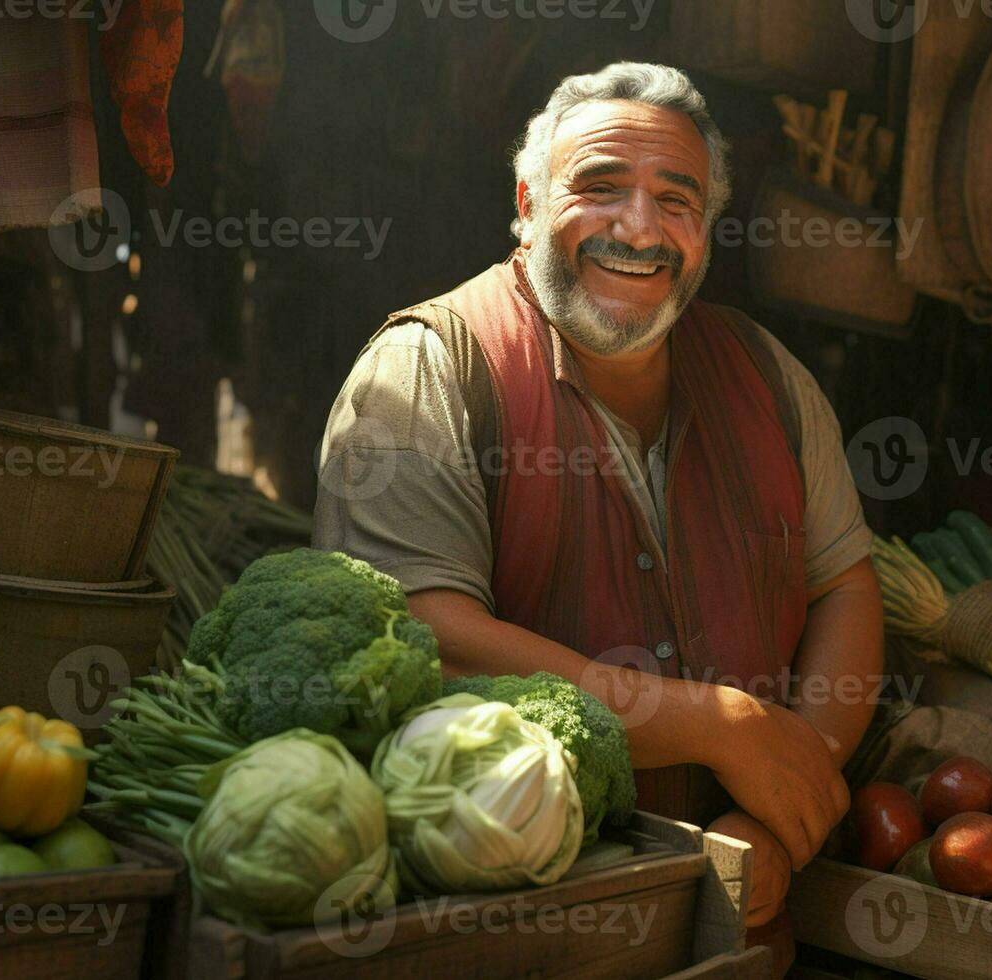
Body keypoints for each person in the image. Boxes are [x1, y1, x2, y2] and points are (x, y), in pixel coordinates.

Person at [315, 62, 883, 964]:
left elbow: (845, 587)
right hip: (521, 933)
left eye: (676, 199)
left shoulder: (767, 376)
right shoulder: (430, 371)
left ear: (706, 230)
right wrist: (716, 725)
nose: (639, 228)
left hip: (752, 941)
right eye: (600, 187)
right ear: (528, 202)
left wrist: (786, 798)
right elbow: (426, 637)